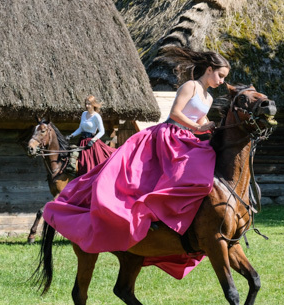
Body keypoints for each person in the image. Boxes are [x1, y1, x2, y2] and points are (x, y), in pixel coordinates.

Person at [43, 47, 230, 279]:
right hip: (169, 134)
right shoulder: (190, 86)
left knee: (201, 172)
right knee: (157, 176)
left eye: (224, 78)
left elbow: (200, 119)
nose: (222, 81)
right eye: (220, 75)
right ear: (209, 69)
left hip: (188, 138)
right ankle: (146, 214)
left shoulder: (209, 97)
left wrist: (210, 127)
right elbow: (176, 113)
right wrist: (199, 127)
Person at [67, 95, 115, 176]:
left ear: (93, 104)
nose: (87, 105)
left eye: (89, 104)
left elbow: (102, 131)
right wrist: (71, 135)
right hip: (82, 141)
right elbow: (80, 128)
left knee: (89, 165)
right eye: (86, 103)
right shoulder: (84, 114)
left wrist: (93, 140)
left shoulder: (96, 116)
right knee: (76, 160)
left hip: (91, 142)